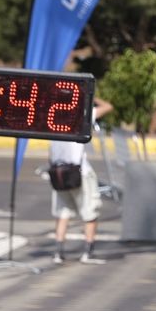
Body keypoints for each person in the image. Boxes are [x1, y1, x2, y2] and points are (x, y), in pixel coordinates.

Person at [48, 98, 113, 265]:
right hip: (80, 172)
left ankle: (58, 252)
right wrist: (92, 96)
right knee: (89, 212)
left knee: (62, 213)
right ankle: (88, 252)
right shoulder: (81, 115)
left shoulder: (51, 118)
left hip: (58, 172)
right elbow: (108, 107)